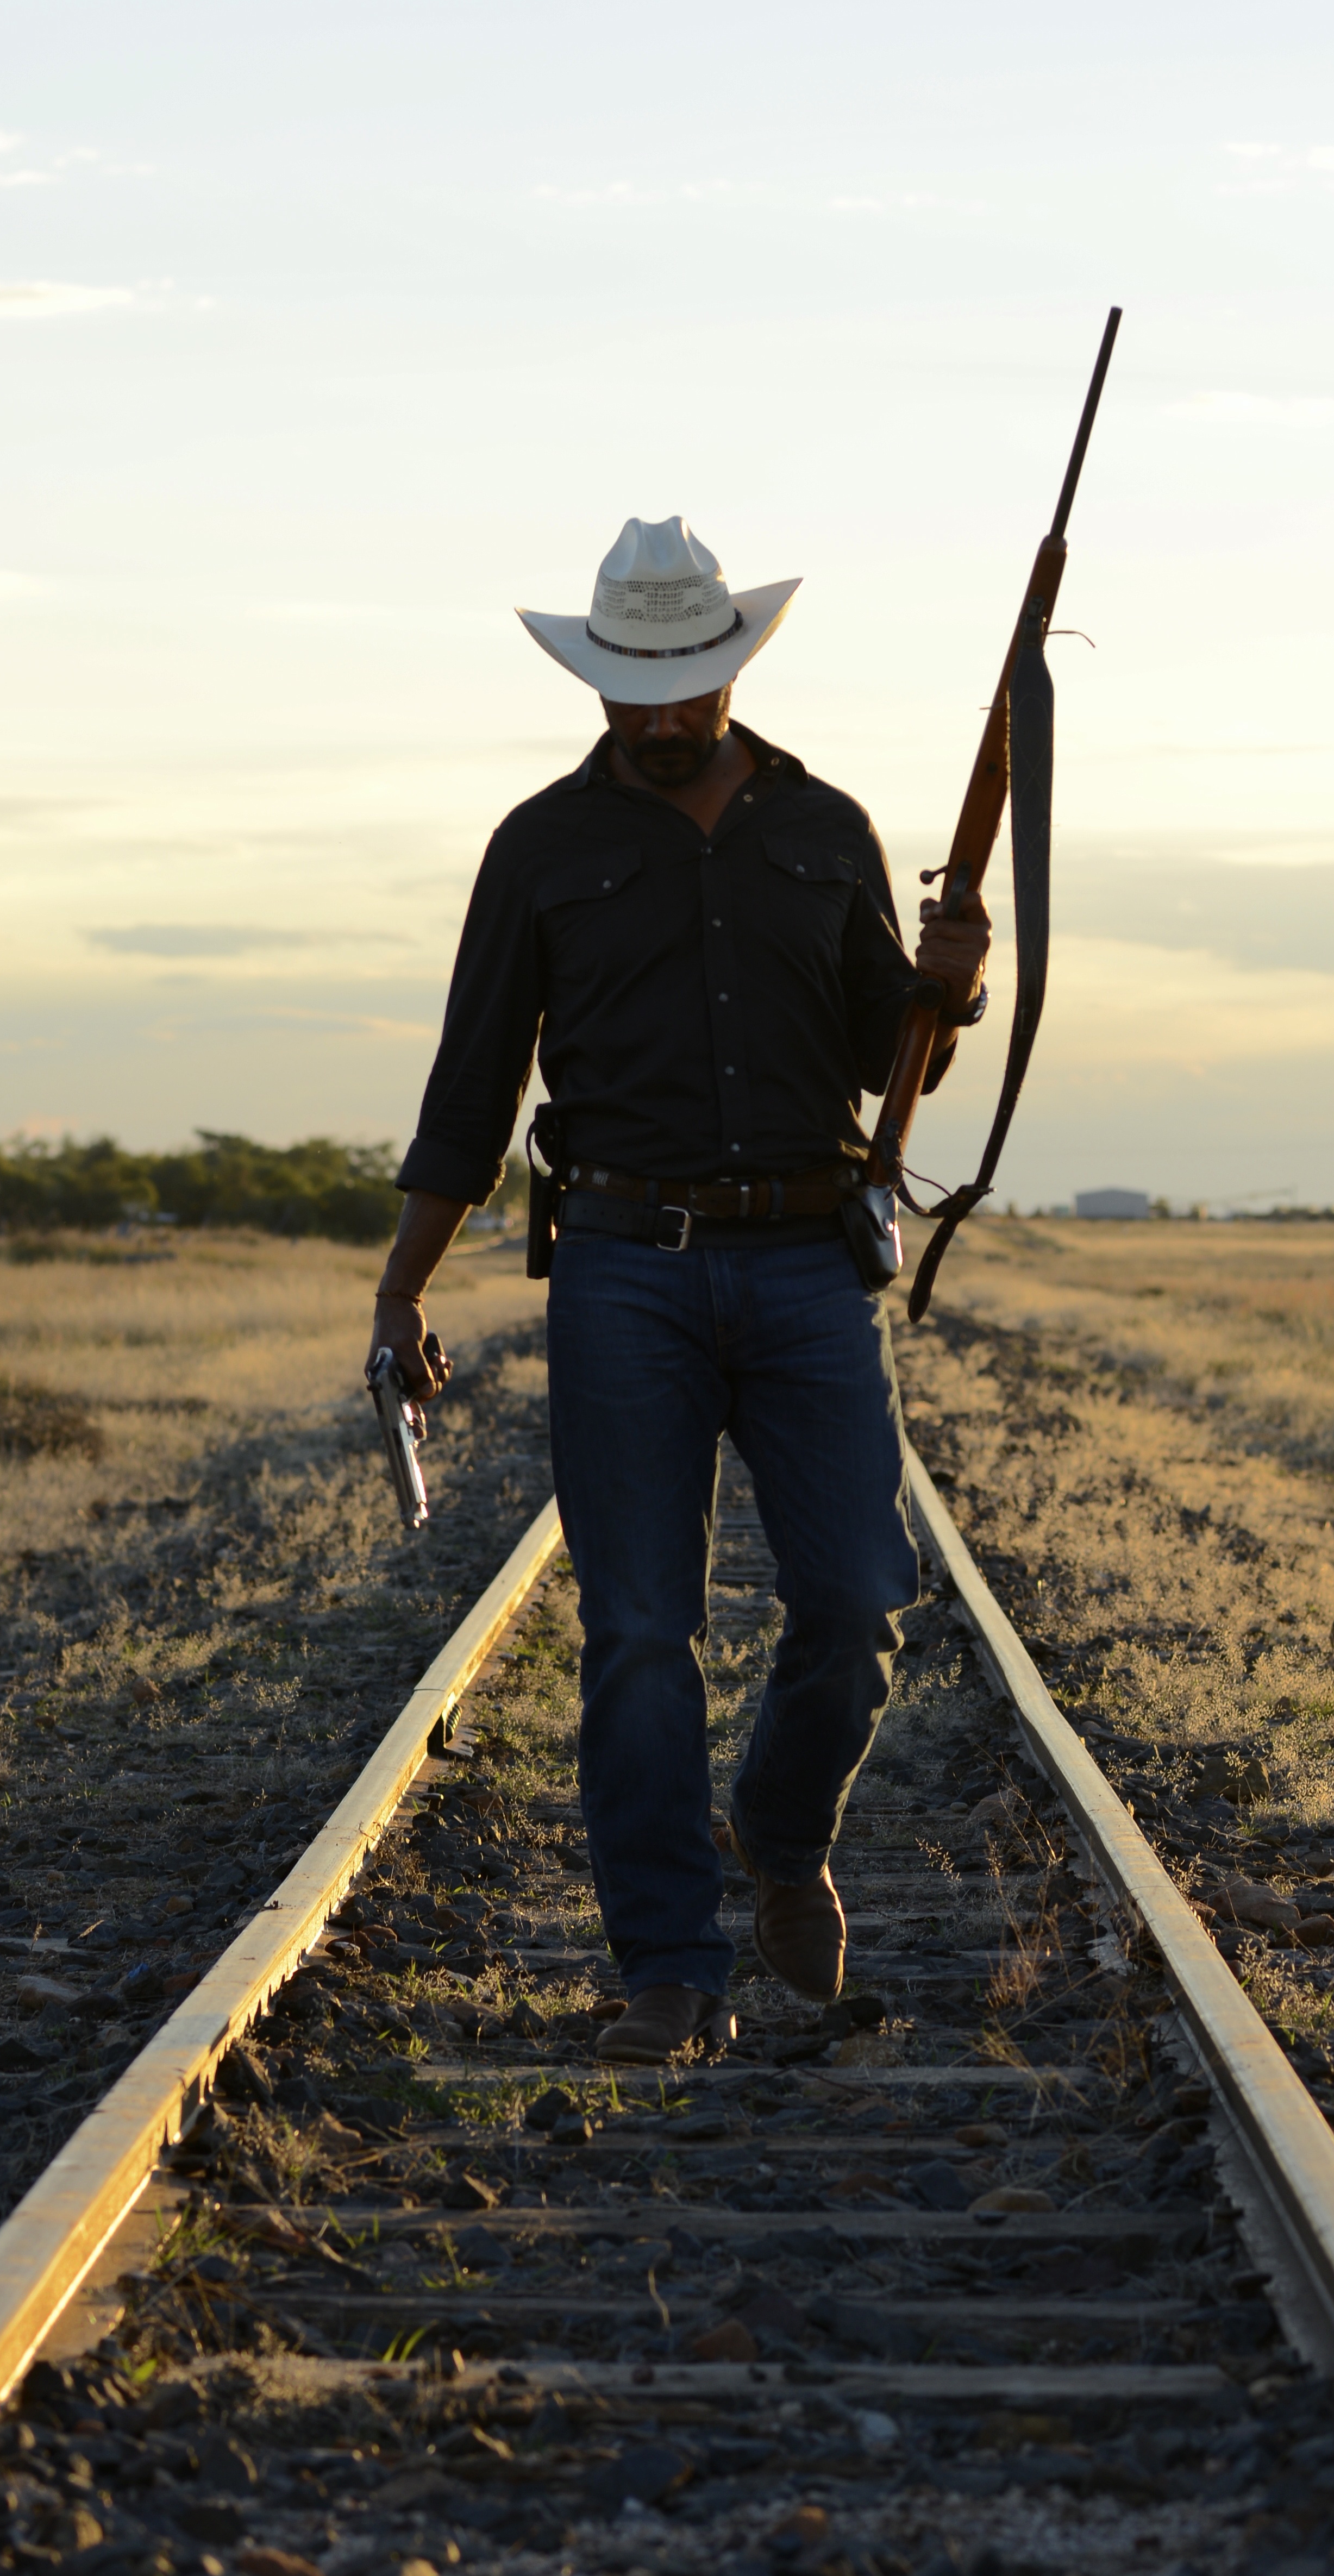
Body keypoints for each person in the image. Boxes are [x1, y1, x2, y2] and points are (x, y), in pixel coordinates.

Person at [367, 515, 989, 2067]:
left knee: (855, 1599)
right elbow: (471, 1088)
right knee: (638, 1633)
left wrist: (952, 990)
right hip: (623, 1277)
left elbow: (881, 1061)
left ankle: (780, 1834)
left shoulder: (826, 825)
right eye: (628, 690)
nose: (655, 718)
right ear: (596, 680)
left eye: (683, 689)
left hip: (803, 1265)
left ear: (730, 671)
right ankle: (668, 1967)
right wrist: (401, 1289)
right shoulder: (540, 848)